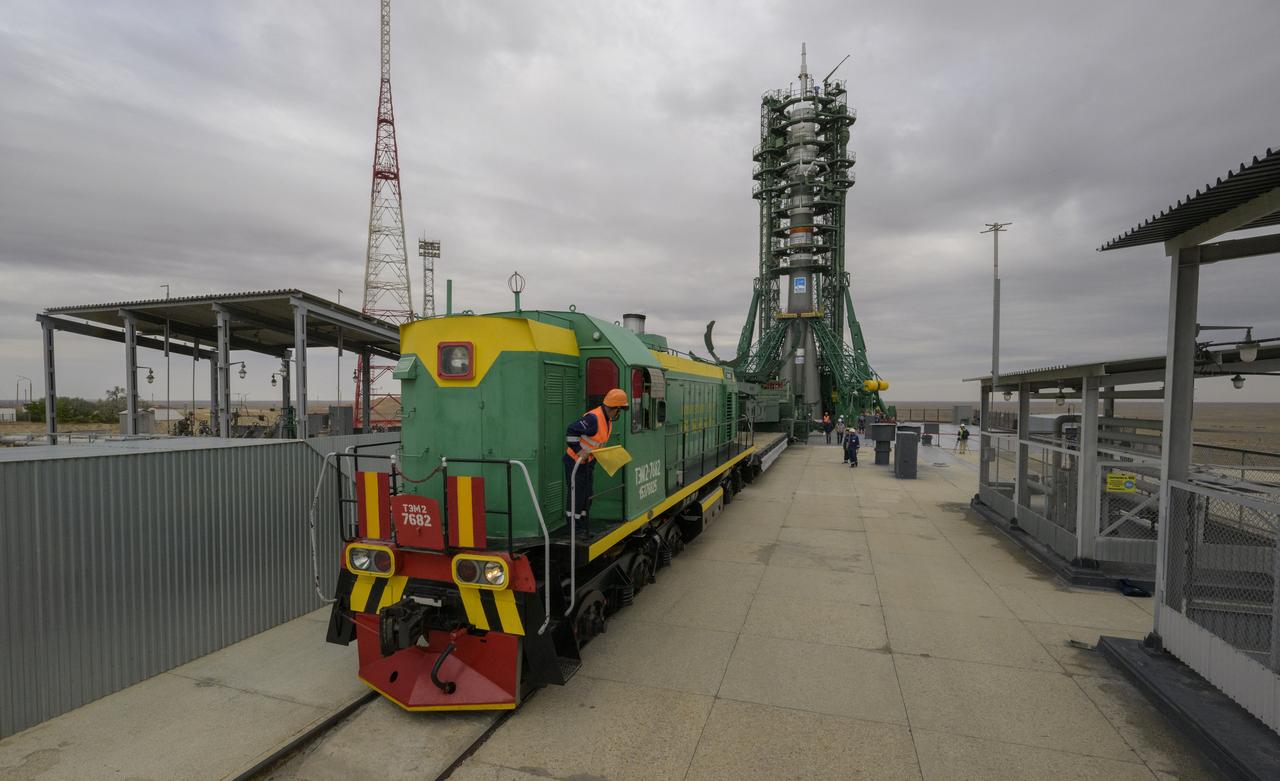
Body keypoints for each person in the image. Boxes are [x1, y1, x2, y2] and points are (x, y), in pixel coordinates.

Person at [564, 388, 628, 537]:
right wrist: (579, 451)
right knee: (577, 495)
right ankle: (574, 529)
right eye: (620, 410)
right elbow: (571, 432)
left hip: (588, 463)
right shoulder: (593, 418)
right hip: (575, 463)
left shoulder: (606, 419)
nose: (620, 414)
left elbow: (595, 443)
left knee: (587, 494)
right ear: (616, 409)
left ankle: (582, 524)